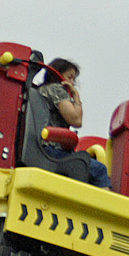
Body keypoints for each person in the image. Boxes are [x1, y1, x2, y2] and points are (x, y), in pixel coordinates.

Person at [36, 58, 109, 188]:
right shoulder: (56, 89)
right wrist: (75, 96)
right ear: (58, 74)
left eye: (74, 79)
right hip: (52, 149)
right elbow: (76, 120)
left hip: (41, 147)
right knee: (99, 170)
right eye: (70, 77)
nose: (72, 83)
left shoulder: (40, 90)